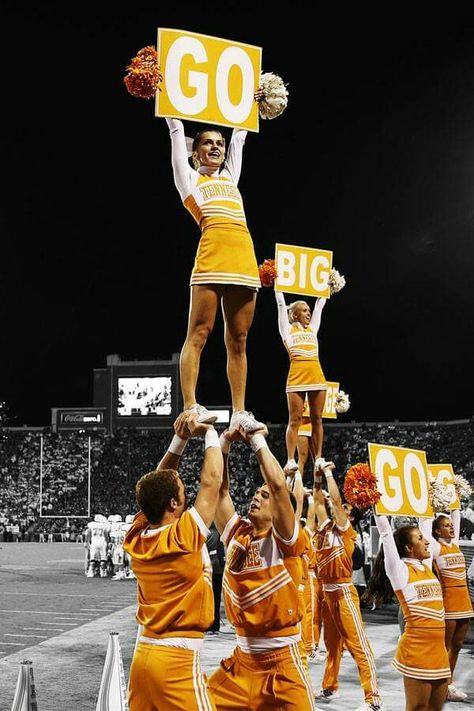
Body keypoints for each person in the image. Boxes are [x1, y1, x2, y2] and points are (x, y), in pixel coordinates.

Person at [164, 96, 265, 433]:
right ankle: (191, 406)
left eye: (219, 143)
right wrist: (166, 91)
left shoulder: (231, 179)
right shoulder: (191, 180)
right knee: (199, 334)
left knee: (238, 340)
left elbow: (241, 136)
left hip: (243, 261)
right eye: (207, 142)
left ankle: (239, 411)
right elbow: (176, 129)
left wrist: (253, 103)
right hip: (211, 260)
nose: (216, 147)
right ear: (196, 153)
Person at [207, 425, 319, 710]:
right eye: (256, 493)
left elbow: (279, 485)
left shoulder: (286, 540)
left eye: (264, 495)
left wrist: (256, 438)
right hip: (241, 661)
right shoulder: (238, 535)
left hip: (283, 663)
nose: (257, 496)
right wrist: (224, 443)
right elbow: (219, 491)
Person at [124, 411, 223, 711]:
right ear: (174, 504)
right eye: (183, 493)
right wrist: (208, 433)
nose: (187, 494)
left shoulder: (137, 537)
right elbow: (213, 480)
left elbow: (156, 487)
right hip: (177, 662)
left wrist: (180, 439)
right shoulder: (184, 535)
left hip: (143, 658)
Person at [312, 460, 382, 711]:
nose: (336, 507)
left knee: (358, 645)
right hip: (326, 593)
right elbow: (319, 502)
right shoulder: (325, 527)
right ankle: (330, 686)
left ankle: (372, 698)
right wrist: (317, 477)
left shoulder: (346, 531)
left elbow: (331, 498)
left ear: (349, 513)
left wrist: (330, 474)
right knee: (332, 646)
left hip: (343, 592)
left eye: (342, 507)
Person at [365, 516, 450, 711]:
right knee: (417, 707)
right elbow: (386, 535)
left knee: (436, 707)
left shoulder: (426, 567)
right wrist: (377, 509)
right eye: (420, 538)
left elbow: (426, 523)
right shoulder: (400, 571)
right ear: (408, 548)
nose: (427, 541)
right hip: (417, 650)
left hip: (439, 651)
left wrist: (429, 496)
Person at [418, 510, 474, 702]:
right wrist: (425, 508)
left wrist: (455, 498)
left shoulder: (455, 544)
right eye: (446, 525)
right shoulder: (435, 547)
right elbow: (424, 528)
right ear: (436, 531)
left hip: (464, 600)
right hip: (448, 601)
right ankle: (438, 684)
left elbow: (456, 515)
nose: (451, 527)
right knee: (444, 646)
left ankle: (448, 684)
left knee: (457, 645)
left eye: (451, 525)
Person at [274, 291, 328, 474]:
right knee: (295, 419)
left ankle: (319, 458)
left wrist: (326, 285)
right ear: (295, 314)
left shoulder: (313, 328)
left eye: (309, 310)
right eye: (304, 310)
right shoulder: (287, 330)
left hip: (316, 376)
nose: (308, 313)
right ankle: (290, 459)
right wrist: (277, 285)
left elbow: (321, 303)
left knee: (317, 418)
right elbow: (281, 304)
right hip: (297, 377)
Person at [206, 522, 226, 634]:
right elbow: (221, 552)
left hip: (208, 569)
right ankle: (215, 624)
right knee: (216, 598)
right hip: (217, 569)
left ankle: (210, 623)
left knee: (209, 598)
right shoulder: (218, 534)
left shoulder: (205, 533)